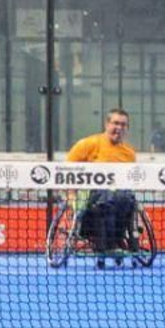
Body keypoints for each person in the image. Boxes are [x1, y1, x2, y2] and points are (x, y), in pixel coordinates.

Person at [66, 108, 138, 255]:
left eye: (123, 125)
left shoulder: (129, 153)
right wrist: (72, 197)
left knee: (128, 198)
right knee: (108, 197)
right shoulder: (88, 144)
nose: (119, 128)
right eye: (116, 123)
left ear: (127, 128)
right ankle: (108, 243)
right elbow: (67, 172)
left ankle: (118, 239)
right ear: (107, 124)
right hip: (91, 197)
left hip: (119, 196)